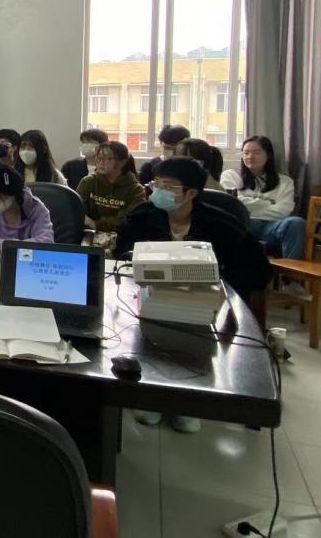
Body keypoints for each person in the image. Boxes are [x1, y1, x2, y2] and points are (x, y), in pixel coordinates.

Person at [116, 157, 271, 434]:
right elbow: (121, 256)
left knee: (191, 339)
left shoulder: (221, 224)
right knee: (146, 336)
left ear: (190, 193)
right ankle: (150, 394)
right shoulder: (142, 216)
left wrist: (219, 285)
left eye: (167, 186)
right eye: (156, 184)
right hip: (150, 298)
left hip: (203, 302)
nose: (157, 191)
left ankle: (187, 400)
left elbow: (258, 270)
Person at [221, 136, 305, 259]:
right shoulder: (231, 176)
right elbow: (233, 204)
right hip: (244, 224)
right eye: (246, 153)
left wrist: (250, 208)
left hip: (271, 227)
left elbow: (284, 211)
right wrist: (268, 203)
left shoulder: (285, 181)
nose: (250, 157)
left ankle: (290, 269)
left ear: (268, 155)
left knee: (296, 222)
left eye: (256, 152)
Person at [76, 141, 146, 233]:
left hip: (122, 235)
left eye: (108, 158)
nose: (101, 162)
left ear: (123, 162)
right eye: (98, 158)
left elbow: (128, 219)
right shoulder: (88, 182)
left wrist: (96, 224)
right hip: (89, 233)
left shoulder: (136, 190)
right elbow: (77, 209)